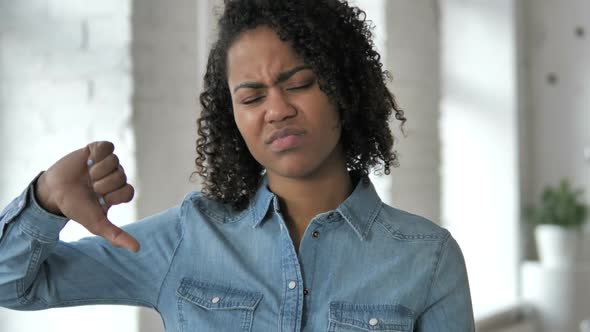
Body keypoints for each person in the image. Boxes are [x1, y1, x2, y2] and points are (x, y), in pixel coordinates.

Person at [0, 0, 475, 331]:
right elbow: (14, 285)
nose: (276, 110)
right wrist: (45, 200)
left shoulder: (426, 258)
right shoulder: (187, 239)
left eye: (300, 83)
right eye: (251, 96)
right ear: (233, 115)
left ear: (344, 88)